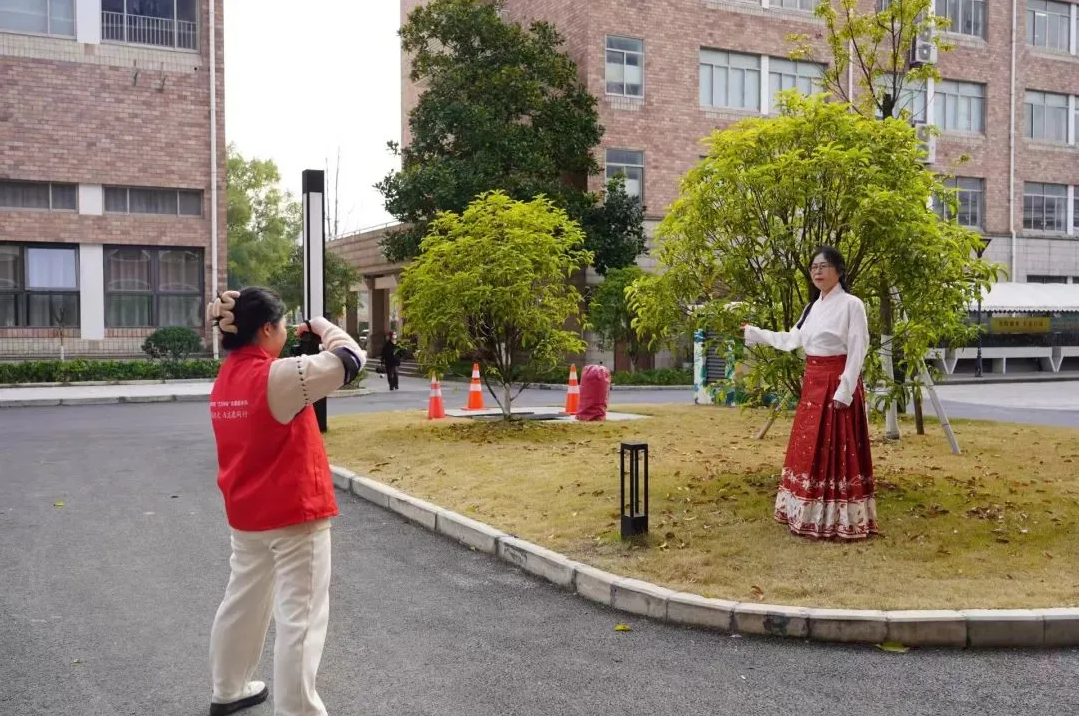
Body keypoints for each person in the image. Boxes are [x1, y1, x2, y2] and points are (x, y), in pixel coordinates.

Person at [205, 288, 365, 716]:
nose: (284, 332)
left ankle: (228, 689)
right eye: (281, 325)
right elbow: (352, 358)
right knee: (300, 619)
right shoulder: (278, 376)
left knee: (242, 602)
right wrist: (322, 327)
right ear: (266, 329)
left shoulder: (226, 379)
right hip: (295, 513)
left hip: (247, 515)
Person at [742, 246, 876, 541]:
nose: (817, 271)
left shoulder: (852, 304)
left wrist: (845, 389)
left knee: (835, 451)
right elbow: (792, 340)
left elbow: (858, 347)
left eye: (823, 266)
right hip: (812, 383)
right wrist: (756, 333)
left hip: (836, 381)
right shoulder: (812, 307)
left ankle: (837, 519)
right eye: (814, 267)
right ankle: (805, 513)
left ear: (839, 270)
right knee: (808, 448)